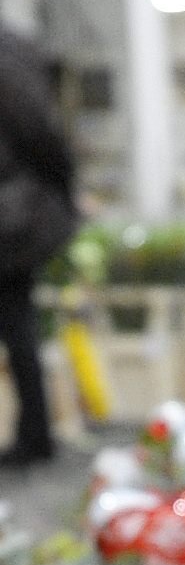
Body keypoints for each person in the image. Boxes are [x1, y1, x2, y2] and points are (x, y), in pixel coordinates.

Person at [0, 26, 77, 466]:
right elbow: (44, 136)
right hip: (15, 214)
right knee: (18, 323)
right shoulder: (15, 50)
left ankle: (35, 433)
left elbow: (36, 131)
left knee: (16, 322)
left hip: (9, 216)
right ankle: (35, 432)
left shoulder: (8, 55)